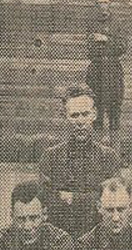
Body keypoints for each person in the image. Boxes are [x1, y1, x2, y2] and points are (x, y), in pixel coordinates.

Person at [39, 85, 122, 238]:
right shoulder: (50, 157)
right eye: (74, 115)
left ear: (94, 115)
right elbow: (47, 203)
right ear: (65, 116)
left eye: (85, 114)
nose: (80, 121)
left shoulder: (109, 157)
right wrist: (92, 197)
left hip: (99, 238)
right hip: (60, 238)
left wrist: (72, 198)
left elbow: (111, 202)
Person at [85, 0, 127, 148]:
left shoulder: (117, 23)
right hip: (96, 72)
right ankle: (96, 153)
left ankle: (115, 154)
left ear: (110, 2)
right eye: (100, 2)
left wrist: (105, 39)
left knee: (115, 113)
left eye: (105, 2)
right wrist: (106, 45)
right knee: (96, 114)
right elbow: (90, 49)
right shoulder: (91, 23)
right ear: (96, 4)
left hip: (113, 73)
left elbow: (122, 46)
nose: (103, 5)